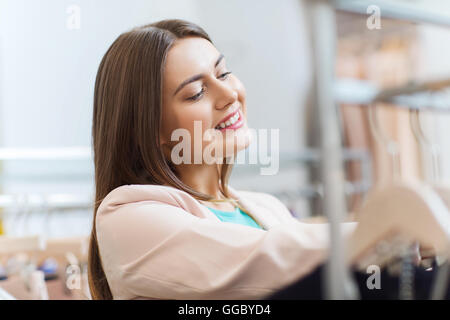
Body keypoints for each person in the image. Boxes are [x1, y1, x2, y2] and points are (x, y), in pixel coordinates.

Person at [88, 19, 356, 300]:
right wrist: (382, 230)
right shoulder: (127, 218)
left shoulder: (267, 207)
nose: (229, 95)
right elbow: (273, 259)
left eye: (224, 73)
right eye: (196, 93)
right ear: (149, 129)